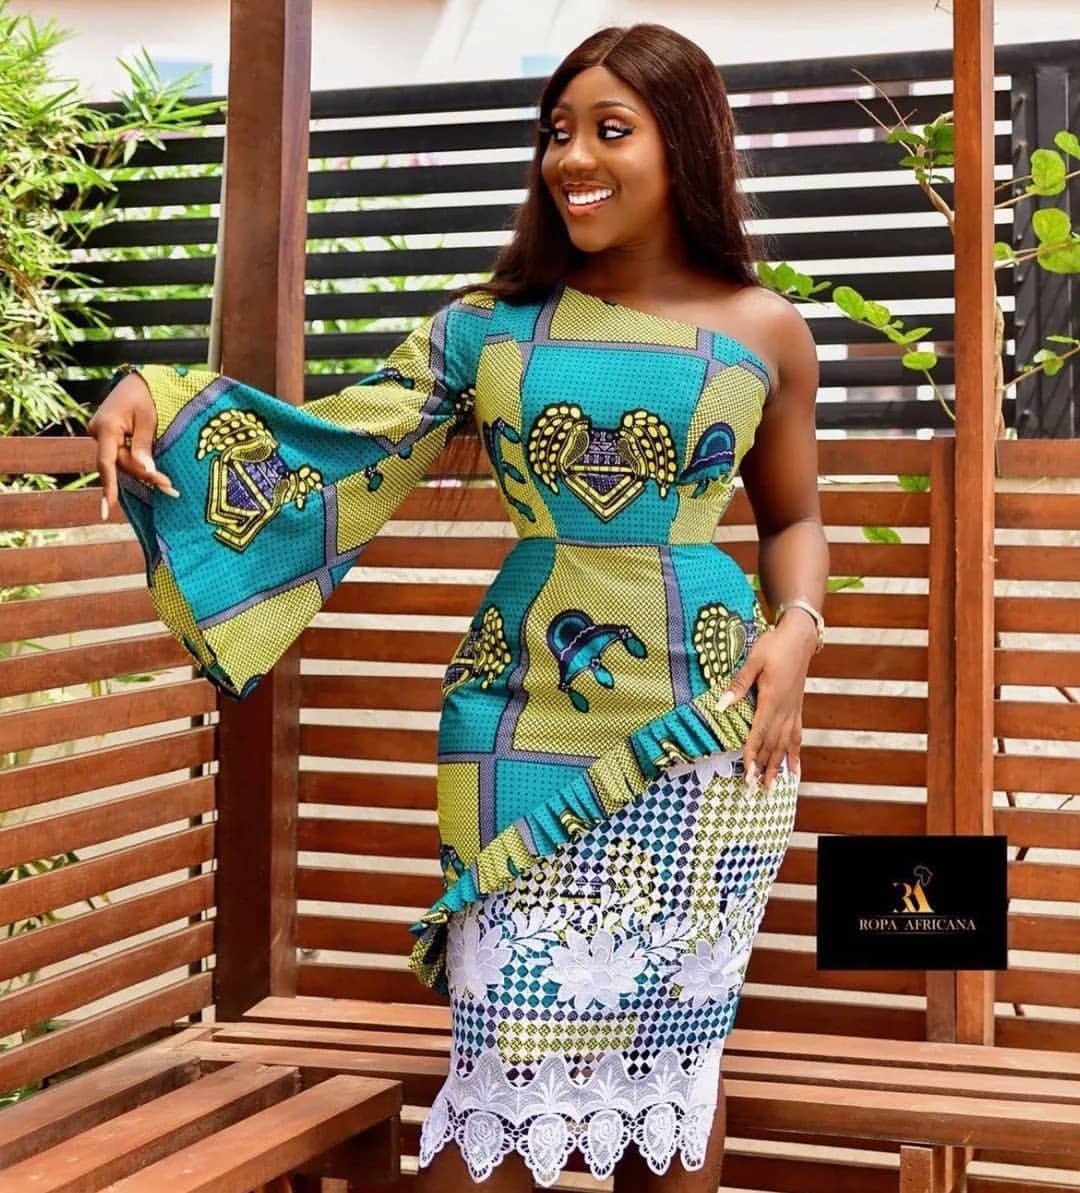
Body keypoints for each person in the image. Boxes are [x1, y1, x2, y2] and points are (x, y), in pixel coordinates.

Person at [89, 21, 827, 1192]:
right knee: (503, 1067)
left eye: (610, 129)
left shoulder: (766, 328)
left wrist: (797, 634)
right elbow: (336, 435)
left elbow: (793, 519)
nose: (571, 157)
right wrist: (156, 391)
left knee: (675, 1069)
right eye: (557, 131)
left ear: (685, 144)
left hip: (712, 722)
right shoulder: (488, 325)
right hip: (514, 716)